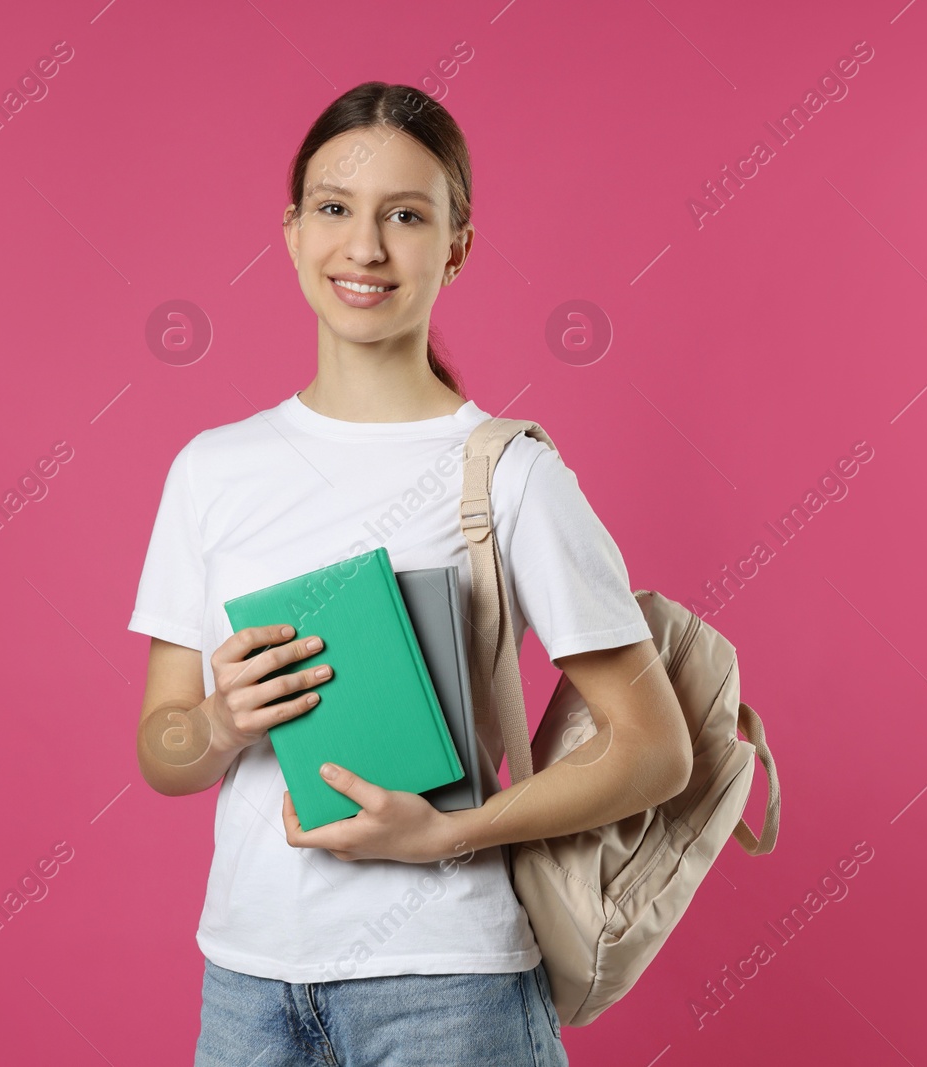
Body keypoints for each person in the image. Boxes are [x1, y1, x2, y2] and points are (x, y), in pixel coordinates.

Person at [129, 80, 692, 1067]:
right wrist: (220, 720)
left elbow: (654, 751)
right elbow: (163, 750)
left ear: (456, 245)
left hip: (450, 983)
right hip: (247, 983)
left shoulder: (510, 470)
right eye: (335, 210)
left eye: (404, 215)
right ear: (294, 231)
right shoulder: (210, 469)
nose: (365, 248)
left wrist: (450, 834)